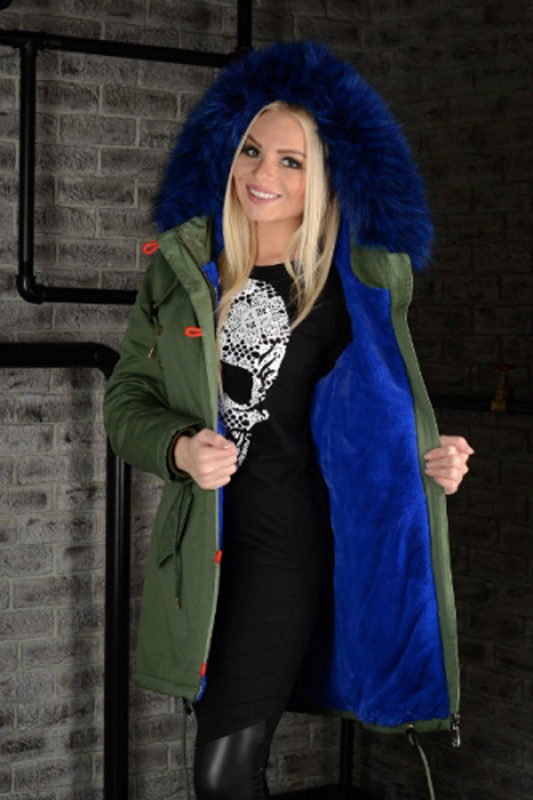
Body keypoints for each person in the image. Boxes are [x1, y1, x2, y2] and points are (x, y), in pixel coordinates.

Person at [104, 41, 472, 798]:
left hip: (285, 546)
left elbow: (378, 413)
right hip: (200, 556)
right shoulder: (184, 271)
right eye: (251, 150)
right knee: (223, 765)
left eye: (291, 161)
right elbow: (125, 403)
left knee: (224, 774)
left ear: (324, 177)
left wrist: (432, 456)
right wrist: (178, 447)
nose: (261, 173)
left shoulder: (348, 287)